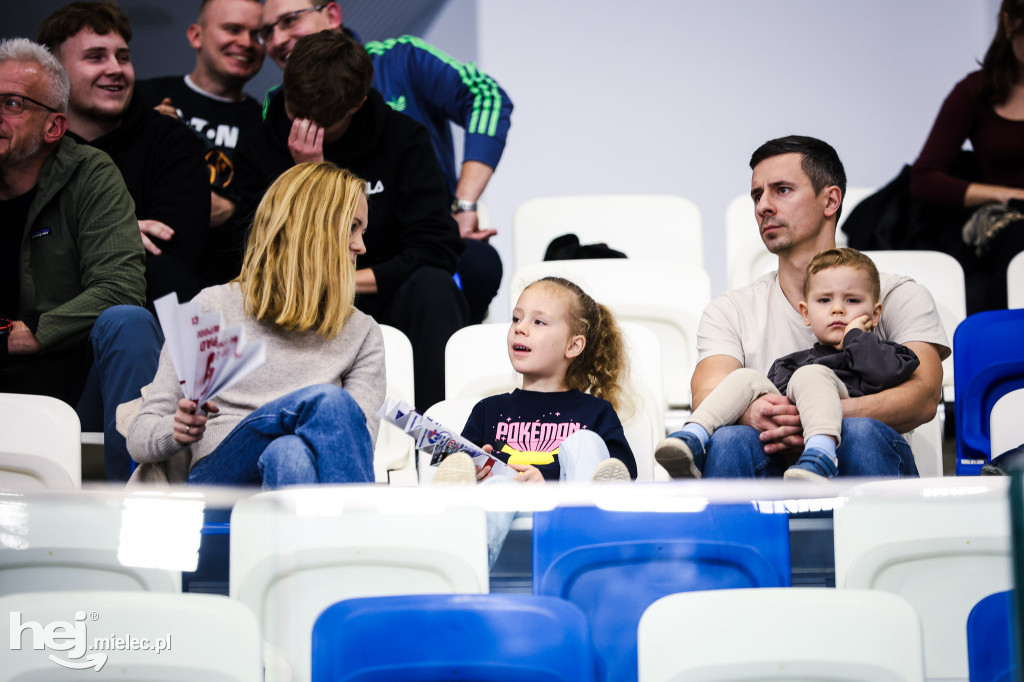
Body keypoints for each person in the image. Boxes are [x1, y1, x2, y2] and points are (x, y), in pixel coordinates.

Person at [679, 135, 949, 479]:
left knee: (858, 432)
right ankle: (736, 536)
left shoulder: (898, 294)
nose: (763, 206)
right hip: (771, 459)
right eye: (757, 195)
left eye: (782, 190)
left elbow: (923, 396)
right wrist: (753, 414)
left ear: (830, 200)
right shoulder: (730, 308)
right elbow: (707, 395)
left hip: (866, 453)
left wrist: (821, 416)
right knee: (730, 438)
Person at [233, 30, 466, 411]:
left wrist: (346, 280)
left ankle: (435, 433)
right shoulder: (260, 146)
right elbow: (251, 254)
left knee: (434, 288)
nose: (303, 131)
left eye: (321, 123)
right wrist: (307, 183)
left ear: (357, 104)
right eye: (295, 114)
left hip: (382, 294)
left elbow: (435, 248)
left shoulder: (403, 139)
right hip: (293, 297)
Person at [126, 162, 385, 488]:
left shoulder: (362, 333)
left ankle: (316, 540)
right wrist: (175, 429)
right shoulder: (212, 307)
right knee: (329, 403)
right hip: (219, 480)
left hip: (306, 480)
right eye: (352, 227)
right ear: (310, 227)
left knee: (289, 453)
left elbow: (357, 446)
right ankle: (358, 535)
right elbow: (139, 436)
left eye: (363, 231)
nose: (361, 246)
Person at [259, 0, 512, 323]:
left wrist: (463, 205)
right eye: (266, 31)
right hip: (328, 261)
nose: (277, 39)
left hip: (416, 245)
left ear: (332, 14)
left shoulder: (400, 59)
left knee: (474, 266)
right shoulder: (275, 106)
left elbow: (488, 98)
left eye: (289, 21)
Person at [0, 37, 158, 482]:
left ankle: (135, 507)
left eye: (12, 103)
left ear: (54, 128)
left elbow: (120, 287)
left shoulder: (92, 174)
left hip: (72, 389)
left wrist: (28, 334)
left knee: (128, 322)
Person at [656, 248, 921, 481]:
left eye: (852, 301)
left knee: (811, 375)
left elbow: (890, 375)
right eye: (824, 300)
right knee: (747, 377)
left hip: (853, 446)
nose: (838, 309)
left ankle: (822, 451)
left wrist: (855, 337)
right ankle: (693, 435)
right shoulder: (792, 362)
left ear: (875, 313)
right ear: (806, 313)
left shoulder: (886, 353)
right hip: (788, 457)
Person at [434, 277, 633, 567]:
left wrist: (549, 486)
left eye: (539, 322)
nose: (520, 328)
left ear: (574, 345)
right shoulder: (488, 409)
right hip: (502, 521)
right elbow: (464, 467)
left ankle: (590, 549)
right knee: (496, 485)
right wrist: (475, 470)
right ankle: (463, 568)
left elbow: (621, 471)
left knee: (586, 442)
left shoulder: (596, 412)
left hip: (567, 516)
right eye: (516, 318)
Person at [38, 0, 212, 304]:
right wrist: (119, 231)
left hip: (148, 310)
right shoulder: (32, 145)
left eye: (123, 57)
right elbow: (28, 255)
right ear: (53, 71)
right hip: (51, 319)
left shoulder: (172, 140)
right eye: (95, 57)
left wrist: (74, 238)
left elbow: (173, 249)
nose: (115, 69)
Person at [134, 0, 266, 281]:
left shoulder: (265, 125)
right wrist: (147, 131)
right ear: (196, 35)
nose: (246, 43)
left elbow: (270, 219)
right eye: (233, 29)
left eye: (258, 34)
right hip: (144, 277)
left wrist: (232, 210)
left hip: (229, 288)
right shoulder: (142, 99)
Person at [910, 0, 1024, 313]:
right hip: (1004, 219)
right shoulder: (976, 91)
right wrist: (1009, 194)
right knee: (1018, 240)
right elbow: (924, 178)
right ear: (1008, 23)